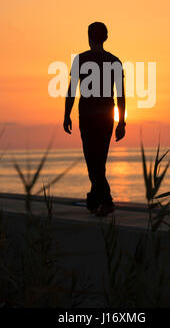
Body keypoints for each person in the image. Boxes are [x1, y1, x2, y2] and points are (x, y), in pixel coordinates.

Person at [63, 22, 126, 216]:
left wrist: (66, 114)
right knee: (98, 160)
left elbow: (72, 90)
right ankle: (95, 198)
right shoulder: (115, 61)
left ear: (89, 37)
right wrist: (121, 122)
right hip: (106, 116)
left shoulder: (80, 60)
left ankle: (104, 201)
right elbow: (121, 95)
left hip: (89, 116)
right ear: (106, 38)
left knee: (93, 160)